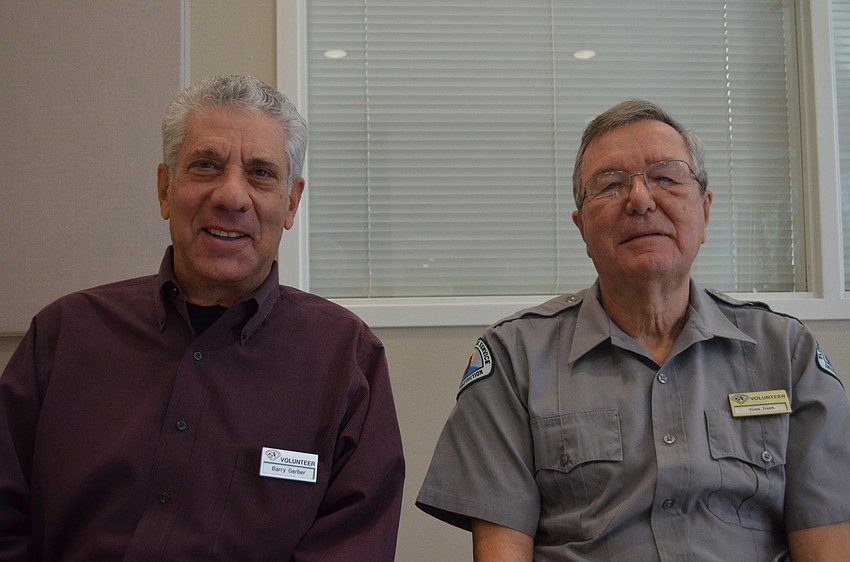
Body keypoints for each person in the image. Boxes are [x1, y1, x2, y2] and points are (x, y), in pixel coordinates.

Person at [416, 99, 850, 561]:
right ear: (582, 228)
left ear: (704, 210)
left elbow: (826, 542)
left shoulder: (786, 352)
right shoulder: (515, 358)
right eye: (610, 185)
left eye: (665, 177)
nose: (641, 200)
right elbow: (502, 550)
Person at [0, 75, 405, 561]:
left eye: (260, 174)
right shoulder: (63, 337)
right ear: (165, 188)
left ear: (291, 202)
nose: (231, 197)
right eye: (206, 166)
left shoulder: (346, 361)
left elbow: (352, 547)